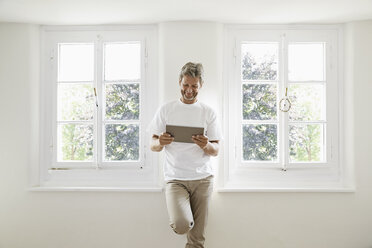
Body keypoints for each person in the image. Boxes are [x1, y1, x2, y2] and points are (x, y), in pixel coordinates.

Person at [148, 62, 222, 248]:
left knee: (197, 239)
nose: (189, 90)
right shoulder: (166, 109)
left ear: (200, 85)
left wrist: (206, 145)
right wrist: (160, 142)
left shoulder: (208, 112)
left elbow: (216, 150)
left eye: (194, 86)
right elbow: (153, 145)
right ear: (179, 82)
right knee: (182, 225)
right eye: (186, 85)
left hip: (203, 179)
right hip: (176, 179)